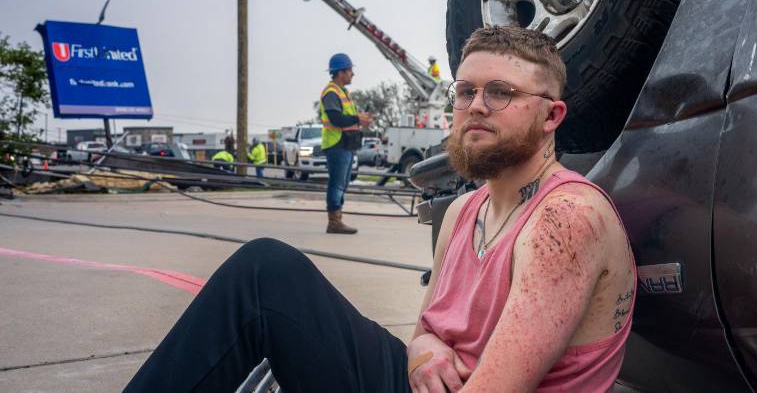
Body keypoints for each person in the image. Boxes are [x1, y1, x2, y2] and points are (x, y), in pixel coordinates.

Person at [125, 26, 636, 392]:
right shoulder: (463, 211)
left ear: (552, 115)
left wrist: (426, 352)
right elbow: (425, 333)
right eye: (466, 91)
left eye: (501, 92)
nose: (476, 105)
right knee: (265, 272)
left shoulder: (564, 217)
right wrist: (424, 352)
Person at [321, 53, 374, 234]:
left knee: (342, 183)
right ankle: (334, 222)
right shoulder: (331, 92)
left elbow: (347, 118)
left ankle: (337, 219)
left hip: (345, 145)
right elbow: (336, 119)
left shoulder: (342, 92)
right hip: (336, 145)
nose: (353, 74)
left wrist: (360, 120)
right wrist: (357, 118)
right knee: (337, 183)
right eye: (350, 70)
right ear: (341, 72)